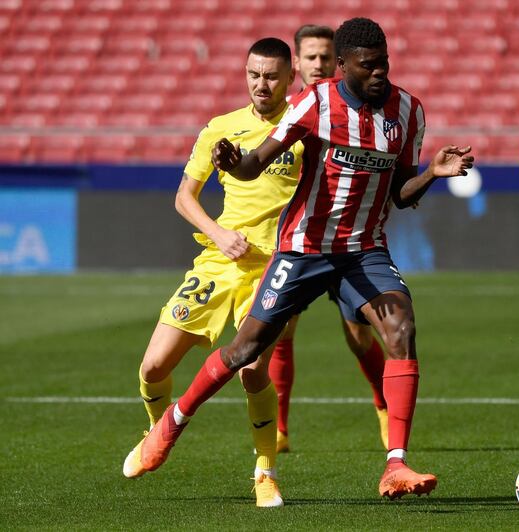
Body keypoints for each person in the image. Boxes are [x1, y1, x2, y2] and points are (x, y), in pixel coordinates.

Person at [124, 17, 474, 503]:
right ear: (345, 66)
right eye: (368, 66)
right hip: (303, 247)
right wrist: (231, 161)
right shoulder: (316, 102)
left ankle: (395, 463)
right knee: (245, 354)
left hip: (363, 249)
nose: (380, 74)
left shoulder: (409, 111)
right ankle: (172, 422)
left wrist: (435, 172)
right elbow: (254, 163)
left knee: (401, 329)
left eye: (385, 64)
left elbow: (401, 192)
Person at [120, 37, 302, 508]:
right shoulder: (221, 128)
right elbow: (184, 196)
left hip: (277, 265)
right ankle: (160, 431)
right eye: (254, 74)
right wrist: (219, 234)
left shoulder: (303, 128)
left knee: (253, 369)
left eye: (271, 76)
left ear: (290, 78)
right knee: (153, 366)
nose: (261, 84)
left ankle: (265, 472)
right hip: (220, 259)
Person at [268, 24, 389, 455]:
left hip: (347, 243)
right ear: (296, 63)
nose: (318, 64)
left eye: (325, 57)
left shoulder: (350, 111)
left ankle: (382, 406)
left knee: (359, 336)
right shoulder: (287, 114)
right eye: (311, 57)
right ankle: (280, 428)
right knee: (281, 330)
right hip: (298, 243)